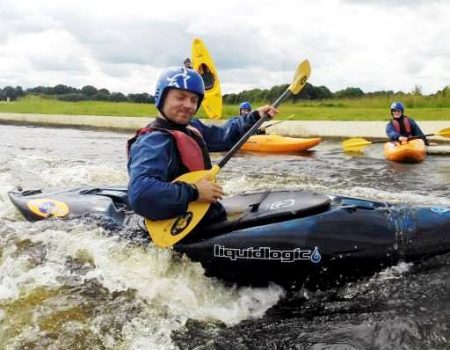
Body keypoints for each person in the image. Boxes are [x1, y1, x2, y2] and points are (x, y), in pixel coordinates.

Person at [127, 66, 278, 226]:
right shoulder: (152, 141)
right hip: (177, 225)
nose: (188, 105)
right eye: (180, 97)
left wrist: (254, 116)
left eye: (194, 100)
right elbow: (141, 193)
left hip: (202, 214)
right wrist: (195, 192)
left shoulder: (192, 127)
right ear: (161, 98)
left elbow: (223, 136)